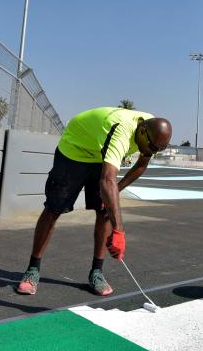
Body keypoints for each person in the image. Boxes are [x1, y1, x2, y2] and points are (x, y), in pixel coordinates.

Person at [15, 106, 172, 296]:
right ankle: (33, 268)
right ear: (141, 131)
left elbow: (141, 165)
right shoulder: (121, 130)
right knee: (54, 209)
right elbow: (108, 180)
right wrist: (119, 231)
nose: (151, 152)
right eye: (152, 148)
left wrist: (115, 193)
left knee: (106, 211)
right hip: (74, 151)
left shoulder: (152, 134)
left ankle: (96, 272)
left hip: (100, 155)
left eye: (157, 150)